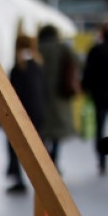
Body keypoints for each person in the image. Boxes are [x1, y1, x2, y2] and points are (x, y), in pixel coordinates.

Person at [5, 34, 48, 194]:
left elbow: (13, 93)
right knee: (38, 146)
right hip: (38, 112)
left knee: (15, 146)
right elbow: (44, 90)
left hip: (22, 114)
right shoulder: (38, 65)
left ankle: (19, 179)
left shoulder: (18, 68)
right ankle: (43, 179)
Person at [81, 17, 108, 175]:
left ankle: (102, 160)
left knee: (100, 128)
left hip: (100, 95)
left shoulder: (96, 50)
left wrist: (87, 90)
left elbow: (88, 73)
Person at [36, 24, 78, 170]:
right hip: (60, 95)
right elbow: (77, 62)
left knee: (42, 129)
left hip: (41, 95)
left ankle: (46, 159)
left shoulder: (38, 49)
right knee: (56, 132)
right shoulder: (63, 48)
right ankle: (54, 159)